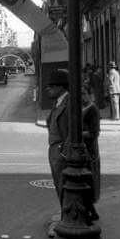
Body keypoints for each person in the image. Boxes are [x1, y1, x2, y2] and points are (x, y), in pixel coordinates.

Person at [46, 69, 70, 203]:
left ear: (61, 87)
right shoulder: (58, 102)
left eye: (52, 86)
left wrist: (63, 152)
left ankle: (68, 215)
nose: (48, 88)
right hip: (56, 151)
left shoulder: (69, 103)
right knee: (59, 186)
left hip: (62, 152)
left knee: (64, 187)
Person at [82, 84, 101, 221]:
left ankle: (90, 212)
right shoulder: (81, 108)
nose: (82, 96)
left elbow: (94, 133)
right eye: (80, 94)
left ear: (90, 95)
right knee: (83, 181)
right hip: (81, 150)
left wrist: (78, 133)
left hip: (90, 151)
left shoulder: (92, 109)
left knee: (87, 181)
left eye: (84, 94)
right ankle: (90, 211)